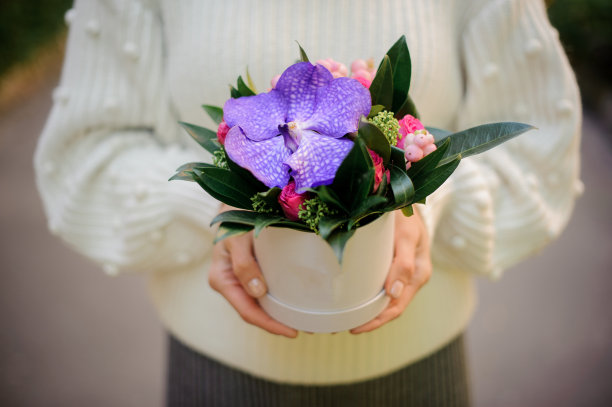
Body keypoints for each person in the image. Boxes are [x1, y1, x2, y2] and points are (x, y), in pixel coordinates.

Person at [35, 0, 581, 405]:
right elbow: (82, 165)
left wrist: (419, 207)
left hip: (416, 373)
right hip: (219, 375)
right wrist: (221, 212)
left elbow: (540, 161)